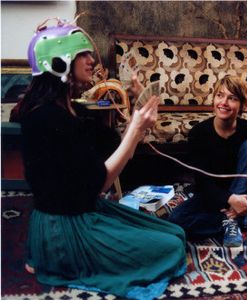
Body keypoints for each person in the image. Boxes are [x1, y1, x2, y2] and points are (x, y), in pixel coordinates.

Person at [15, 20, 186, 300]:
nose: (92, 60)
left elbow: (115, 152)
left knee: (176, 234)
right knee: (171, 248)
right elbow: (98, 185)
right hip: (66, 228)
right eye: (83, 53)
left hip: (81, 211)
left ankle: (46, 255)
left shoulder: (71, 112)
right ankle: (51, 258)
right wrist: (135, 130)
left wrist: (136, 121)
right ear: (59, 61)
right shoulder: (45, 119)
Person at [168, 75, 247, 247]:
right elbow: (202, 183)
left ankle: (233, 222)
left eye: (232, 98)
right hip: (214, 193)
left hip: (245, 190)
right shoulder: (198, 133)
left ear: (241, 106)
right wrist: (231, 201)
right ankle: (245, 220)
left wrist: (244, 202)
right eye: (220, 95)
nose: (223, 102)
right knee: (175, 221)